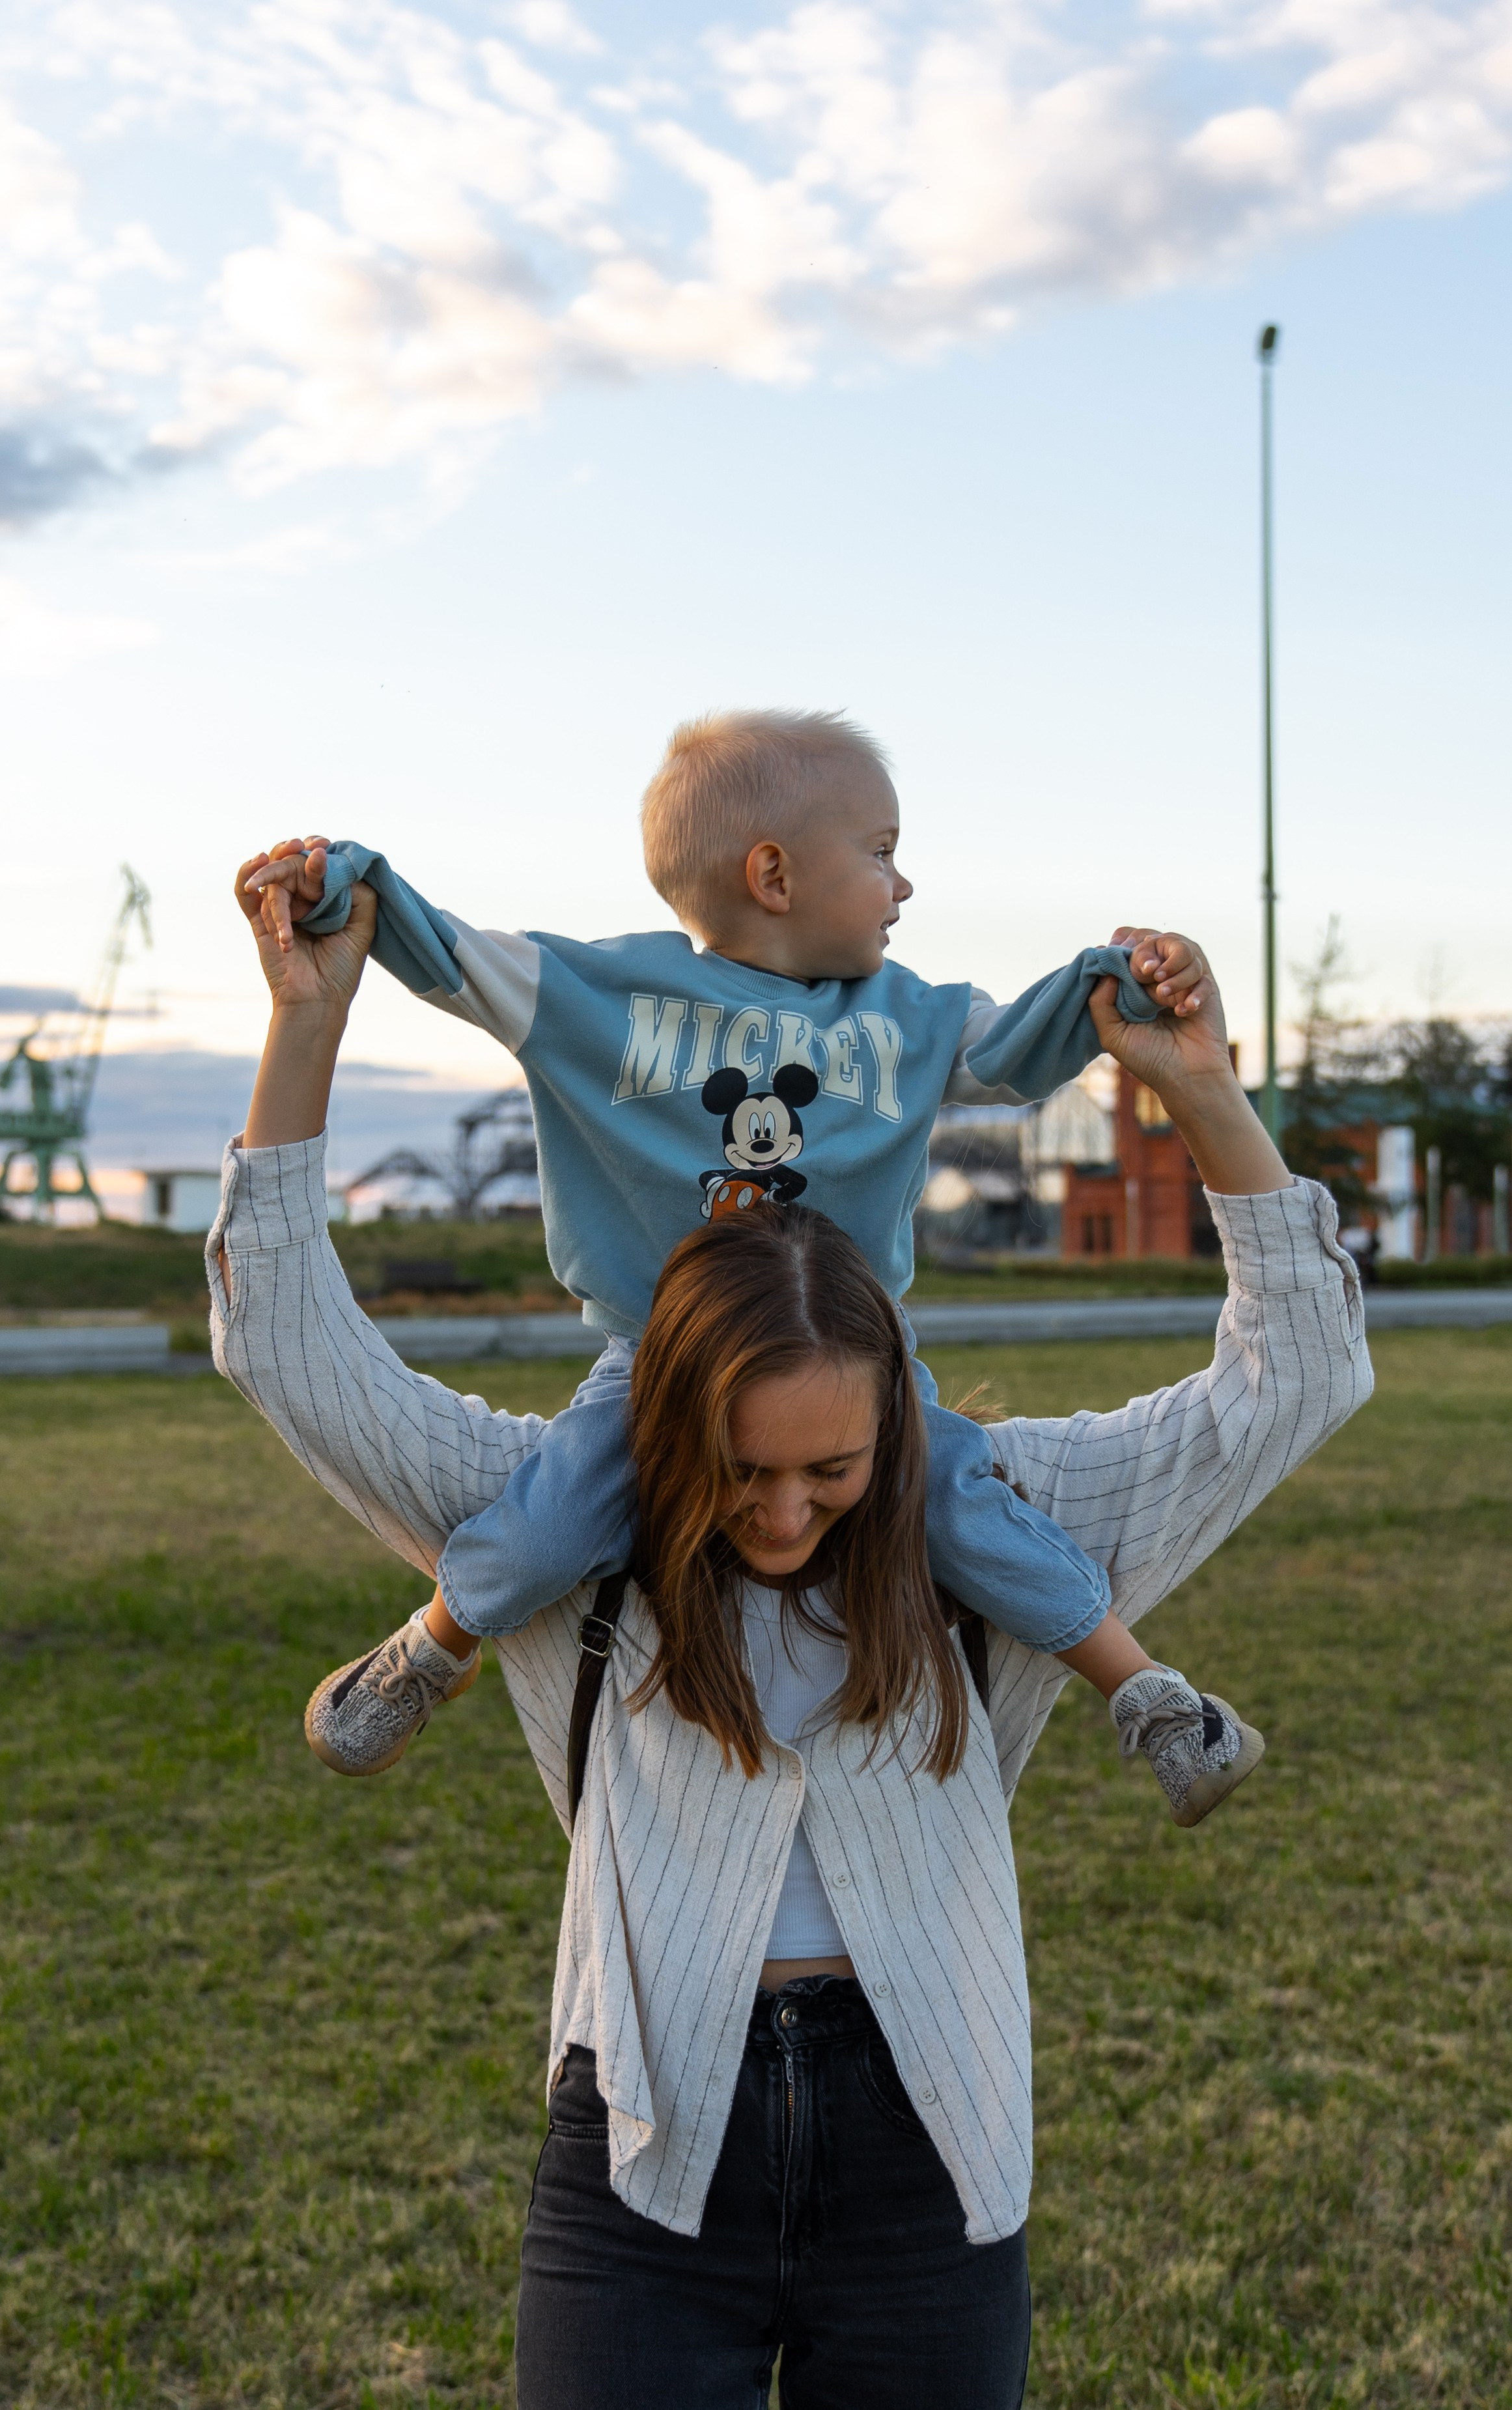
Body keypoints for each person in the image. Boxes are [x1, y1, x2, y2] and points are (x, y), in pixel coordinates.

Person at [208, 868, 1371, 2408]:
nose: (781, 1510)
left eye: (834, 1469)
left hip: (930, 2142)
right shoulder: (559, 1517)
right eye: (735, 1467)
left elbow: (1297, 1377)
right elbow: (290, 1346)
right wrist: (307, 1021)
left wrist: (1202, 1091)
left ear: (897, 1423)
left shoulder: (1005, 1515)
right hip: (643, 2146)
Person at [241, 708, 1261, 1824]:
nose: (903, 886)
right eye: (881, 853)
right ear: (773, 874)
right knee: (550, 1518)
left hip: (859, 1369)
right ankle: (429, 1651)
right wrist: (342, 884)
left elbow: (1023, 1049)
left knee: (962, 1503)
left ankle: (1153, 1698)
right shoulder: (594, 993)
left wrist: (1119, 978)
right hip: (660, 1368)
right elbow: (443, 950)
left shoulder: (910, 1017)